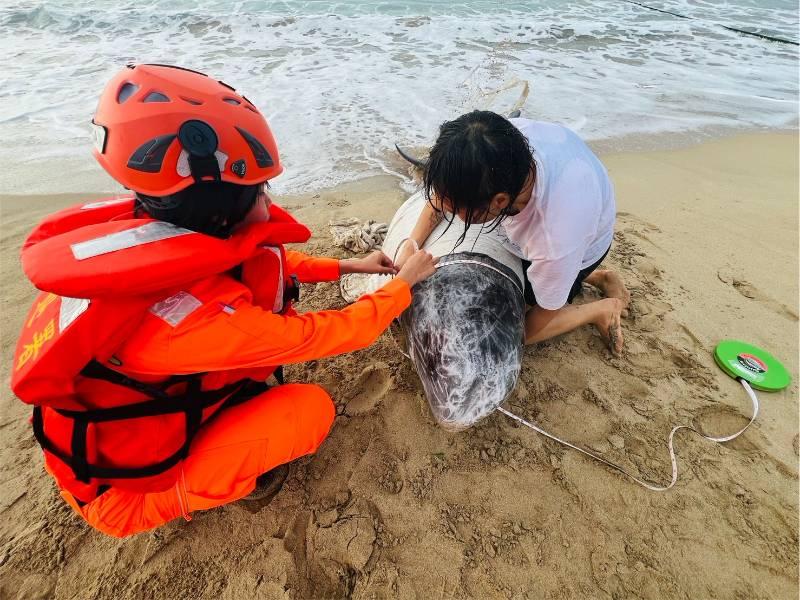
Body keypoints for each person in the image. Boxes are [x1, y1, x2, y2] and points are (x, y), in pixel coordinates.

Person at [11, 64, 436, 538]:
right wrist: (405, 283)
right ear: (221, 206)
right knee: (309, 412)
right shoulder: (197, 325)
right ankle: (191, 490)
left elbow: (254, 260)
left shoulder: (163, 228)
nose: (269, 198)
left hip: (124, 414)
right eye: (261, 188)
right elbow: (330, 333)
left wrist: (345, 266)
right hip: (119, 497)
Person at [396, 110, 629, 355]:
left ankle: (599, 308)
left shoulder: (555, 237)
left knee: (510, 331)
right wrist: (411, 243)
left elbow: (540, 319)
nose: (446, 209)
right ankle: (567, 277)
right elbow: (443, 195)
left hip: (582, 250)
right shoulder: (495, 144)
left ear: (499, 201)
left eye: (456, 208)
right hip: (549, 232)